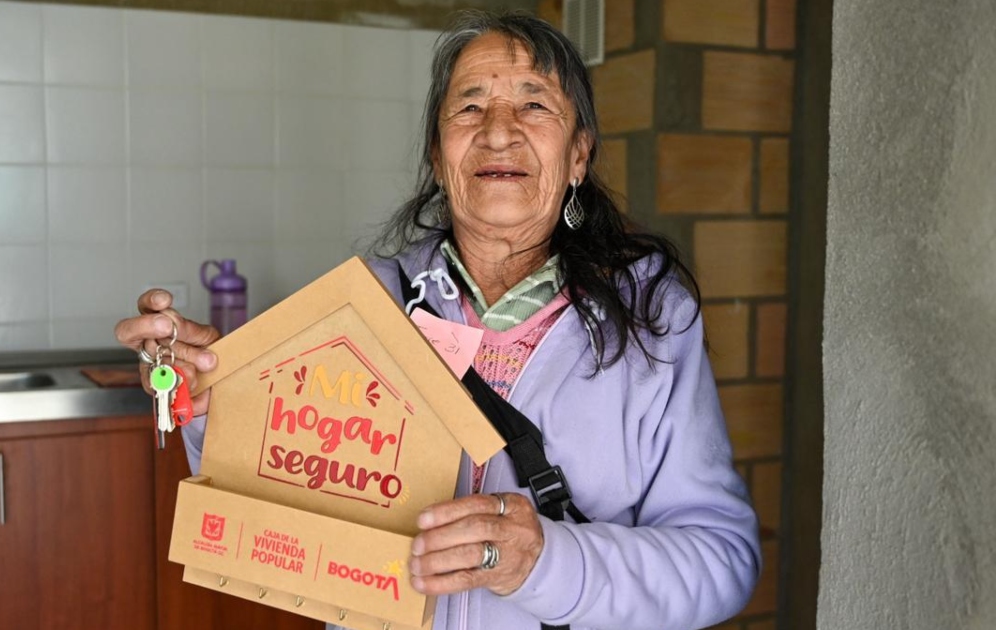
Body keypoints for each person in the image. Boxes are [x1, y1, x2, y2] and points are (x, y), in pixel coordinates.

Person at [115, 11, 759, 630]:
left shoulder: (648, 318)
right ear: (437, 151)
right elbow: (287, 492)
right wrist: (214, 396)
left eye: (535, 104)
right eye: (470, 105)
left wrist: (549, 562)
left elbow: (723, 561)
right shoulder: (368, 301)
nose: (498, 130)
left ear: (579, 156)